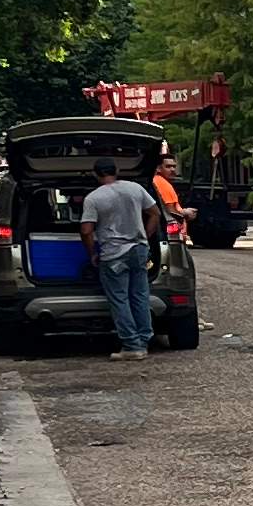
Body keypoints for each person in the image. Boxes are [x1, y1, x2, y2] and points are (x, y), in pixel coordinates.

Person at [79, 153, 157, 359]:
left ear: (96, 175)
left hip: (113, 254)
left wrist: (92, 254)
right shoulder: (136, 188)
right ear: (117, 171)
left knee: (119, 299)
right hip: (138, 250)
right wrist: (145, 237)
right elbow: (154, 213)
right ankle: (144, 338)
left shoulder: (94, 198)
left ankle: (132, 346)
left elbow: (87, 230)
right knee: (140, 295)